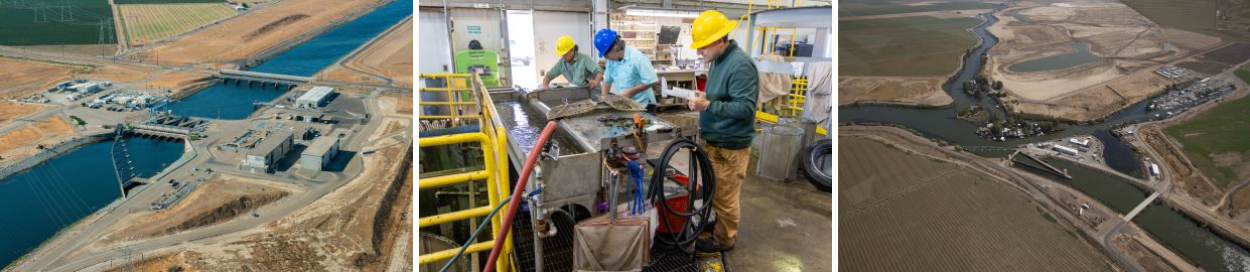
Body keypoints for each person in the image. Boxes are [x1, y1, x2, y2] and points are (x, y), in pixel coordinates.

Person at [685, 10, 759, 253]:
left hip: (731, 145)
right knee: (715, 190)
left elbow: (746, 108)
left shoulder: (741, 65)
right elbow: (724, 96)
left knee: (725, 197)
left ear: (719, 40)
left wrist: (709, 105)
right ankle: (719, 223)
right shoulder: (718, 60)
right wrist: (704, 98)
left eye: (703, 46)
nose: (699, 52)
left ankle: (724, 239)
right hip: (715, 140)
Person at [594, 29, 660, 115]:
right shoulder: (611, 61)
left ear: (615, 48)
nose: (605, 58)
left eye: (606, 54)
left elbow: (653, 81)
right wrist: (604, 101)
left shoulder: (637, 57)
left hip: (644, 106)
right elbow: (606, 82)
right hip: (627, 105)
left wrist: (631, 91)